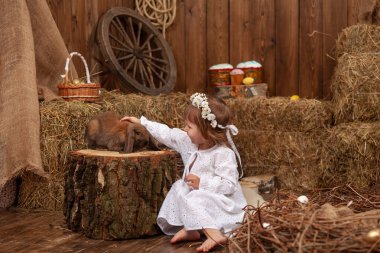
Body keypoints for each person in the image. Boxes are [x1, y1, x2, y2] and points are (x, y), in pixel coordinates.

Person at [121, 93, 247, 252]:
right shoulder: (188, 142)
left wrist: (203, 183)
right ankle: (192, 229)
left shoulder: (223, 154)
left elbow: (229, 185)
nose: (184, 129)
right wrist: (142, 123)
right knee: (179, 187)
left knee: (193, 196)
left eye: (189, 127)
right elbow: (168, 134)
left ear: (206, 130)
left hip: (220, 201)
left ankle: (214, 234)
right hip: (197, 197)